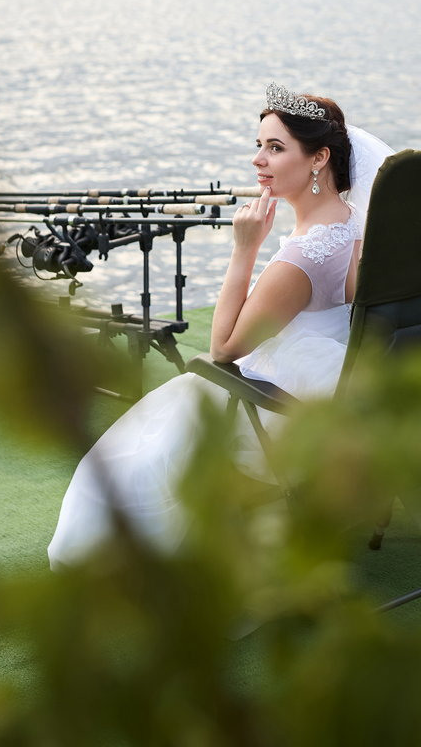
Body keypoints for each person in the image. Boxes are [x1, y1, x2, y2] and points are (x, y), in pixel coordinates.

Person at [48, 84, 393, 566]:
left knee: (144, 451)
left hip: (286, 407)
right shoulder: (354, 223)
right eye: (259, 145)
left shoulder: (304, 257)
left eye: (276, 148)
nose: (258, 159)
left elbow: (225, 348)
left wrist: (245, 248)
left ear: (319, 159)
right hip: (339, 383)